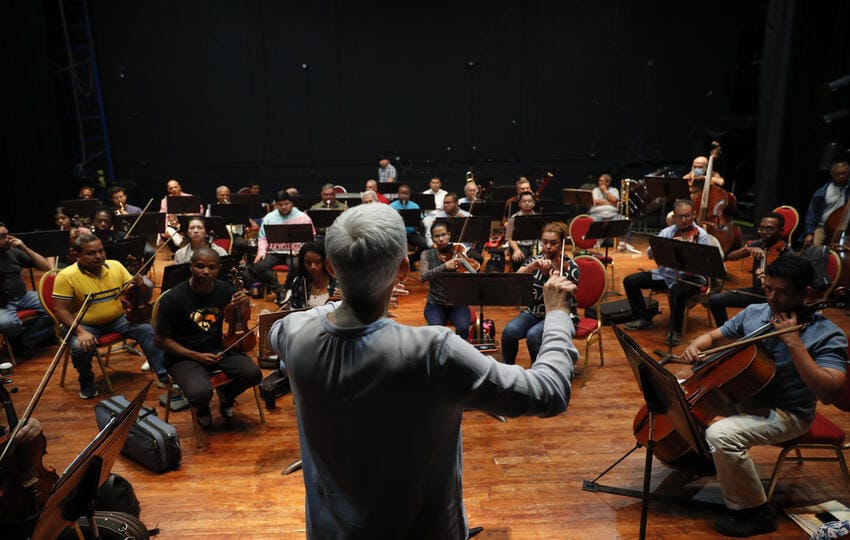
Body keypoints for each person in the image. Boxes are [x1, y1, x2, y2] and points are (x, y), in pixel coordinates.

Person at [268, 203, 577, 538]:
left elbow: (296, 323)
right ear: (403, 268)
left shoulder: (292, 334)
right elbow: (549, 392)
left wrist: (359, 291)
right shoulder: (432, 352)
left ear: (329, 266)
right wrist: (558, 314)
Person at [681, 255, 847, 536]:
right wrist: (696, 345)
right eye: (768, 287)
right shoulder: (756, 312)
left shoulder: (827, 335)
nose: (772, 297)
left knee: (722, 434)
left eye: (781, 292)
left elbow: (829, 392)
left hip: (788, 413)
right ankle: (703, 463)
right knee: (680, 392)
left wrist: (794, 344)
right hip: (744, 397)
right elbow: (713, 337)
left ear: (805, 293)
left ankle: (754, 511)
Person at [154, 248, 262, 428]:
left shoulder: (225, 290)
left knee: (253, 375)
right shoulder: (173, 298)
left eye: (212, 267)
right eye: (200, 266)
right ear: (191, 267)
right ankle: (202, 408)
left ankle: (227, 395)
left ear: (219, 269)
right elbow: (160, 340)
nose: (206, 271)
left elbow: (237, 317)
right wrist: (195, 356)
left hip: (218, 348)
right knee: (200, 393)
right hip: (183, 356)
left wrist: (244, 304)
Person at [52, 234, 168, 399]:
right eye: (91, 253)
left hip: (117, 320)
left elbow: (137, 296)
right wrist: (80, 332)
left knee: (147, 330)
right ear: (77, 256)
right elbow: (60, 310)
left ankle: (163, 375)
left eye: (101, 251)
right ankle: (86, 380)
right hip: (83, 324)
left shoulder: (115, 266)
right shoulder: (66, 276)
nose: (98, 256)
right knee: (79, 347)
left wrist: (140, 284)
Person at [623, 199, 713, 346]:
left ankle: (675, 330)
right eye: (680, 216)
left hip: (692, 278)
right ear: (674, 217)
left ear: (694, 215)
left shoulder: (701, 235)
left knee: (677, 290)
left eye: (687, 216)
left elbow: (703, 264)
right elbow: (650, 254)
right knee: (630, 281)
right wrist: (656, 249)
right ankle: (643, 318)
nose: (684, 220)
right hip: (666, 275)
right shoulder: (667, 231)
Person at [501, 221, 580, 365]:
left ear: (562, 243)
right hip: (534, 311)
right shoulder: (535, 260)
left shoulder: (571, 267)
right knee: (509, 332)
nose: (548, 247)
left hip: (560, 315)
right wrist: (531, 267)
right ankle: (507, 370)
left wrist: (549, 276)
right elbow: (515, 278)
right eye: (545, 242)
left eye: (553, 243)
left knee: (533, 336)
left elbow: (566, 294)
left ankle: (539, 372)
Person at [708, 213, 792, 326]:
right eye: (761, 228)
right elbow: (730, 257)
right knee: (714, 300)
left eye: (769, 229)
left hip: (774, 298)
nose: (764, 232)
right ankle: (725, 332)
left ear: (781, 230)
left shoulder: (787, 253)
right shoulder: (760, 243)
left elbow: (788, 285)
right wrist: (747, 250)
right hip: (756, 292)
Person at [247, 190, 315, 305]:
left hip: (295, 252)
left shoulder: (303, 217)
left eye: (286, 204)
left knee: (295, 266)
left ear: (291, 203)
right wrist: (261, 252)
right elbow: (263, 237)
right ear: (276, 205)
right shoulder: (269, 217)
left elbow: (311, 236)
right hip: (276, 252)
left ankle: (288, 288)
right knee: (259, 266)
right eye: (280, 204)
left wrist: (302, 250)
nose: (284, 207)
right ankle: (281, 292)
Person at [0, 223, 54, 359]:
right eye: (2, 236)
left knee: (56, 306)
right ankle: (23, 341)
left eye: (7, 234)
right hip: (2, 303)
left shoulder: (13, 251)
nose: (7, 239)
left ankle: (25, 341)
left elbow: (46, 266)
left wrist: (24, 248)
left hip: (23, 295)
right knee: (7, 324)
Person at [418, 223, 473, 339]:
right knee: (436, 331)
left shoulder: (457, 252)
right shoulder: (427, 254)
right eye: (437, 236)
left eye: (443, 235)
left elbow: (474, 274)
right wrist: (444, 266)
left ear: (449, 235)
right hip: (435, 303)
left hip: (458, 302)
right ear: (432, 238)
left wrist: (466, 267)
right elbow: (423, 276)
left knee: (463, 328)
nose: (441, 239)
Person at [803, 161, 850, 248]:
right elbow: (812, 213)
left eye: (845, 173)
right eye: (838, 174)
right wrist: (809, 233)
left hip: (845, 229)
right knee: (813, 249)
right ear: (832, 174)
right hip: (823, 227)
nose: (842, 176)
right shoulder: (821, 192)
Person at [282, 242, 339, 309]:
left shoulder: (338, 282)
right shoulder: (299, 282)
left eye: (318, 262)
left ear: (325, 261)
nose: (313, 267)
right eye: (308, 262)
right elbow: (294, 309)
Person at [389, 184, 429, 267]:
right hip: (397, 234)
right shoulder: (392, 206)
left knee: (425, 245)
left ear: (409, 195)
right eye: (402, 193)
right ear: (398, 194)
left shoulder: (415, 206)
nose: (404, 196)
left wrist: (418, 223)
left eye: (406, 194)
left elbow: (420, 221)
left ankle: (411, 260)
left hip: (411, 234)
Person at [505, 191, 537, 272]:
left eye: (529, 201)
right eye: (524, 201)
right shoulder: (513, 218)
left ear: (534, 203)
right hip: (520, 246)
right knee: (518, 257)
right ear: (519, 204)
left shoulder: (538, 217)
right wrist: (516, 250)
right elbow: (509, 237)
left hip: (536, 246)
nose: (527, 203)